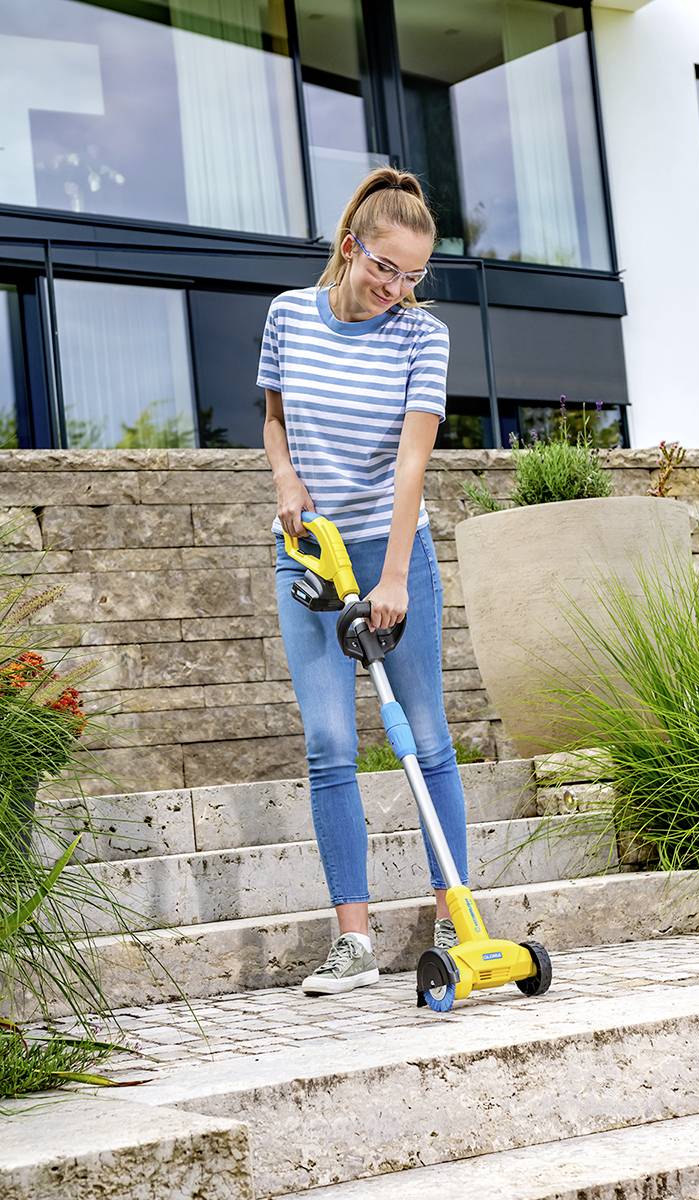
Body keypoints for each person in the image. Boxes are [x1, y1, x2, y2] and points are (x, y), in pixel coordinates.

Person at [258, 166, 470, 996]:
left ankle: (455, 915)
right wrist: (283, 480)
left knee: (425, 734)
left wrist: (395, 581)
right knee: (330, 743)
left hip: (394, 552)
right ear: (351, 249)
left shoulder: (422, 335)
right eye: (386, 268)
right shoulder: (286, 316)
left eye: (414, 275)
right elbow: (274, 420)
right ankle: (353, 941)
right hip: (311, 551)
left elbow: (412, 462)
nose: (398, 288)